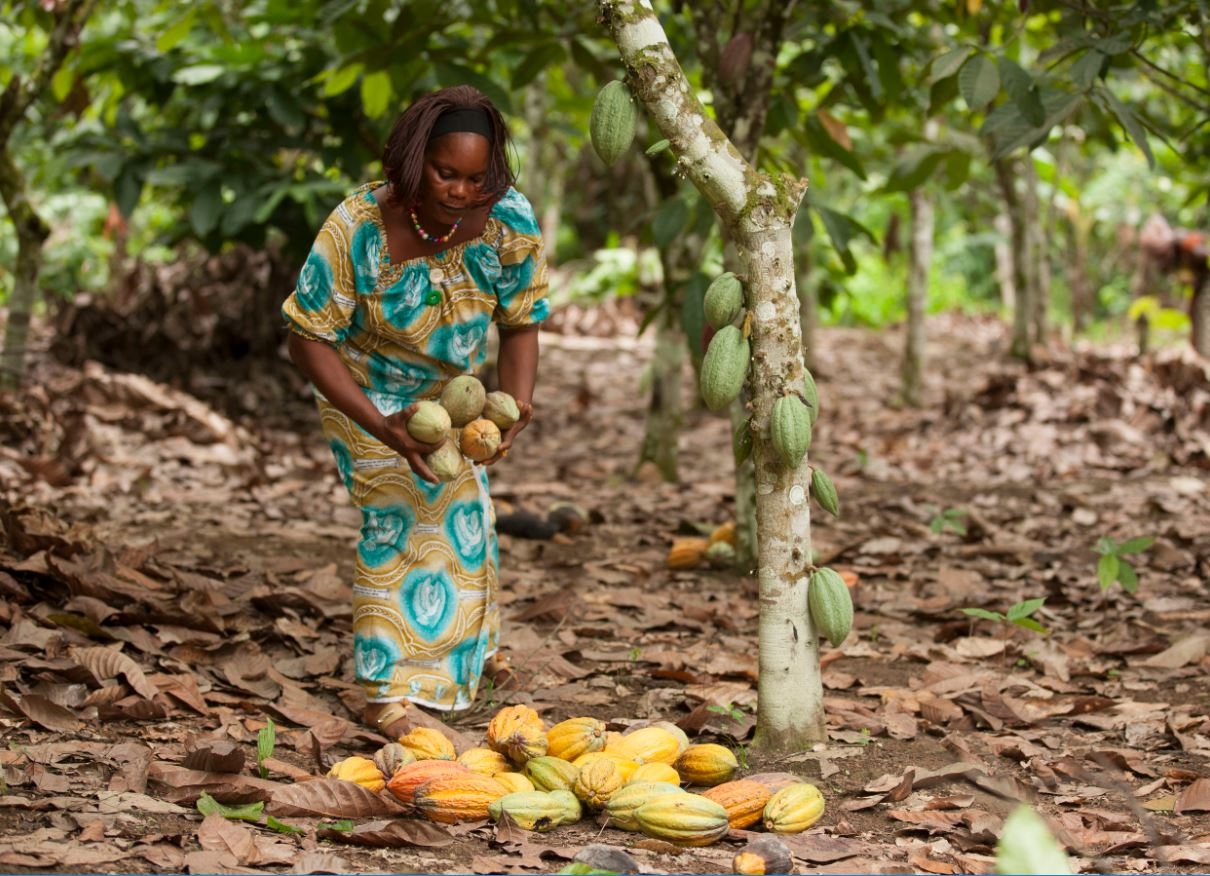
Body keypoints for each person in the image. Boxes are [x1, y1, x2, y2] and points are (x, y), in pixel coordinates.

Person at [281, 85, 548, 739]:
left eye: (475, 178)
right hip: (362, 387)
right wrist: (380, 425)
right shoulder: (356, 228)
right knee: (408, 499)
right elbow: (307, 338)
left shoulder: (509, 219)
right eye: (444, 173)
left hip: (454, 395)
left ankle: (472, 653)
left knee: (468, 503)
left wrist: (513, 408)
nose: (460, 191)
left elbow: (520, 324)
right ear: (411, 159)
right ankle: (386, 687)